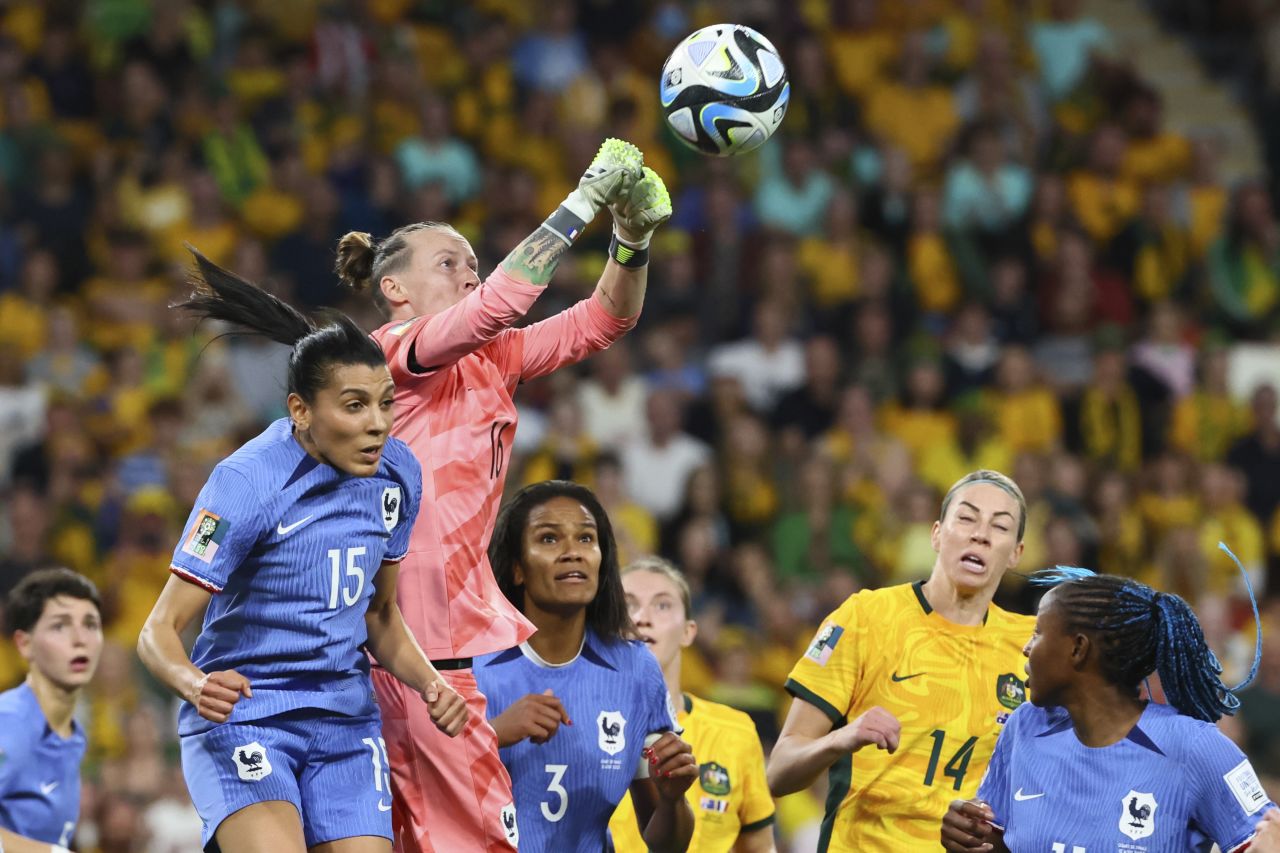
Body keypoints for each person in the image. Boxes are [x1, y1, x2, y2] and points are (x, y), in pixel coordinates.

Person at [335, 138, 672, 852]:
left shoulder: (494, 358)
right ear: (395, 288)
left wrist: (631, 238)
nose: (470, 273)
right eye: (448, 262)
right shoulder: (389, 354)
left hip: (446, 645)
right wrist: (580, 203)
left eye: (473, 262)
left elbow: (604, 319)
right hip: (400, 641)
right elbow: (493, 307)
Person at [136, 249, 468, 853]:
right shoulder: (245, 483)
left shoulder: (399, 477)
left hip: (343, 723)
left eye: (385, 403)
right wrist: (193, 683)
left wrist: (429, 685)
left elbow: (380, 616)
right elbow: (157, 631)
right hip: (247, 718)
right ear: (300, 411)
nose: (377, 425)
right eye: (354, 406)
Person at [768, 469, 1036, 849]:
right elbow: (779, 772)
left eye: (1000, 526)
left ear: (1016, 553)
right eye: (967, 518)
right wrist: (844, 738)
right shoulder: (866, 617)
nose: (981, 534)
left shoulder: (1032, 646)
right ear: (937, 534)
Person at [940, 565, 1275, 852]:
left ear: (1078, 649)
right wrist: (970, 837)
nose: (1027, 648)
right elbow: (999, 841)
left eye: (1038, 633)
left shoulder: (1194, 747)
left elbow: (1266, 840)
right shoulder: (1024, 727)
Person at [473, 481, 697, 852]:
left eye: (586, 539)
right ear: (517, 569)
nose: (572, 553)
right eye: (549, 539)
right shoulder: (470, 662)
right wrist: (493, 733)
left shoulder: (635, 669)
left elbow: (666, 844)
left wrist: (674, 800)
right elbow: (423, 793)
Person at [609, 556, 777, 852]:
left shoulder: (735, 731)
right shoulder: (577, 724)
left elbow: (760, 846)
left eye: (662, 605)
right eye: (628, 605)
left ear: (689, 631)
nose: (642, 617)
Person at [0, 567, 103, 852]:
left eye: (91, 624)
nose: (80, 639)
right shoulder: (9, 723)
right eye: (60, 625)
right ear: (25, 644)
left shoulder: (74, 733)